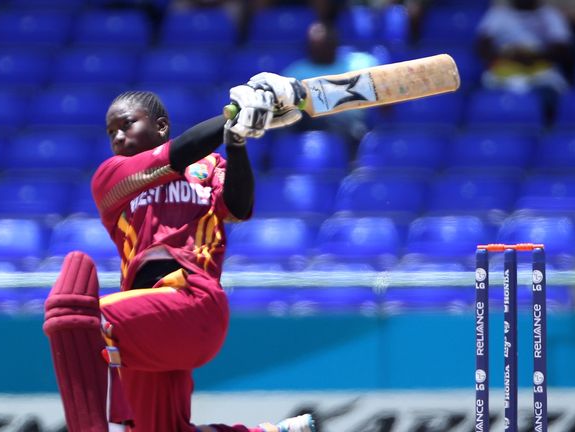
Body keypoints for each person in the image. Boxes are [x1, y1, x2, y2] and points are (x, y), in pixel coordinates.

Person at [42, 73, 314, 432]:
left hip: (193, 301)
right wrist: (233, 116)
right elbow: (179, 151)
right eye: (112, 133)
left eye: (127, 125)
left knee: (79, 324)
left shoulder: (208, 167)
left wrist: (236, 140)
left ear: (161, 125)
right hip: (147, 325)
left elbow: (239, 204)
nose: (118, 137)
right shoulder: (112, 176)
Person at [282, 20, 378, 147]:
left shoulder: (358, 64)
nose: (319, 49)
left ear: (334, 44)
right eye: (314, 46)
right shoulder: (295, 72)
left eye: (324, 45)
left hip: (348, 126)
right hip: (308, 123)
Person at [476, 0, 575, 120]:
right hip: (505, 72)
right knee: (486, 98)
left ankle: (545, 130)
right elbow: (482, 46)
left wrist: (534, 56)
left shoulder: (549, 14)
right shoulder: (499, 14)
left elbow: (563, 48)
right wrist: (510, 55)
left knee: (550, 97)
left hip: (541, 73)